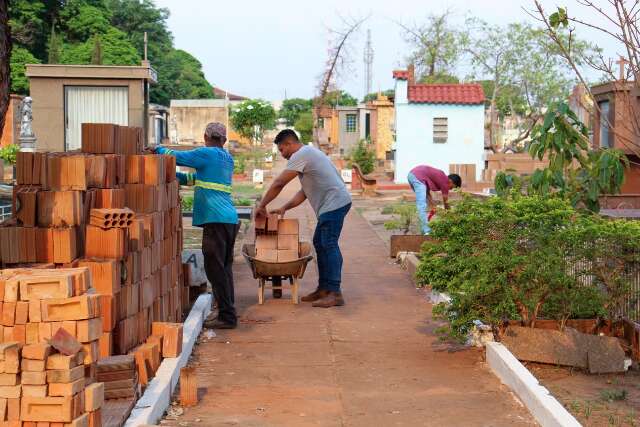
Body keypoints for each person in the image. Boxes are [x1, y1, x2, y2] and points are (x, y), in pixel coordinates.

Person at [152, 122, 239, 329]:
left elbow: (178, 157)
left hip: (216, 219)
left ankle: (227, 317)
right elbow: (195, 179)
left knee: (215, 269)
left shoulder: (207, 153)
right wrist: (175, 176)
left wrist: (157, 149)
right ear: (224, 140)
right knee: (224, 269)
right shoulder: (226, 158)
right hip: (228, 220)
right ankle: (227, 310)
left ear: (206, 137)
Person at [255, 129, 352, 308]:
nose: (282, 155)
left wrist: (262, 205)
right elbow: (304, 192)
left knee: (328, 244)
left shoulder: (301, 154)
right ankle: (324, 289)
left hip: (335, 204)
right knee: (320, 243)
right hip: (334, 204)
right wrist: (284, 207)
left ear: (289, 144)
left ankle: (335, 293)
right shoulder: (307, 154)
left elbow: (279, 183)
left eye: (282, 150)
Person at [407, 165, 461, 235]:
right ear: (451, 181)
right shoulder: (445, 181)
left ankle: (424, 229)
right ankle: (427, 232)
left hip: (412, 175)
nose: (451, 189)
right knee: (422, 205)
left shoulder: (440, 178)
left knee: (423, 203)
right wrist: (450, 215)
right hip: (417, 176)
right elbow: (446, 202)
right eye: (453, 187)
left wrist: (433, 206)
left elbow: (427, 193)